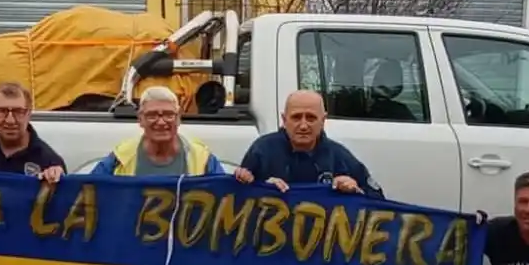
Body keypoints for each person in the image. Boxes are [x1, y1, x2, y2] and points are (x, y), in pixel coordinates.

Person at [234, 90, 384, 197]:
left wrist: (356, 190)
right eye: (296, 117)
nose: (304, 125)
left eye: (311, 118)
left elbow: (378, 199)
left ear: (323, 120)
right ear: (284, 120)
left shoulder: (339, 156)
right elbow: (237, 199)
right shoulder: (262, 150)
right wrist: (261, 187)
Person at [91, 86, 224, 176]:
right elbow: (88, 189)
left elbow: (225, 193)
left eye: (168, 115)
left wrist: (241, 178)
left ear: (178, 119)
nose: (161, 122)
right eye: (152, 115)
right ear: (140, 120)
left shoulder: (201, 157)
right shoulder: (121, 157)